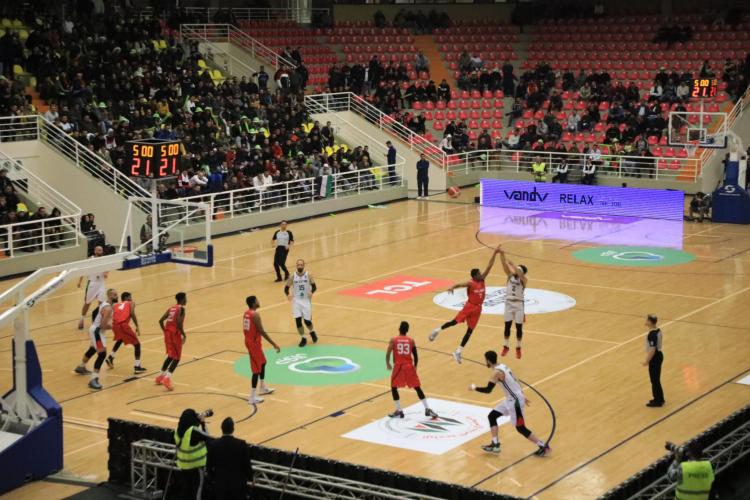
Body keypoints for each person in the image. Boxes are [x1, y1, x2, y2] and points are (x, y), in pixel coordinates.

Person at [470, 350, 550, 456]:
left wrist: (474, 388)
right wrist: (522, 394)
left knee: (520, 428)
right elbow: (515, 380)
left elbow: (488, 390)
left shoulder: (496, 373)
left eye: (486, 360)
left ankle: (543, 446)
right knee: (492, 416)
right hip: (511, 399)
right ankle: (495, 444)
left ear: (488, 360)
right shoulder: (503, 366)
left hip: (515, 402)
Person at [429, 246, 501, 364]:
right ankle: (436, 330)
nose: (480, 274)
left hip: (478, 308)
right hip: (470, 306)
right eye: (478, 274)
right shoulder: (471, 283)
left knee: (470, 331)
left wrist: (495, 253)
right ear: (474, 276)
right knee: (454, 322)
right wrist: (452, 287)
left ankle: (458, 351)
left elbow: (489, 266)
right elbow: (459, 284)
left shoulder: (482, 280)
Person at [386, 321, 439, 419]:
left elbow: (388, 353)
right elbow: (416, 356)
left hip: (399, 367)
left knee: (394, 387)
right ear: (407, 330)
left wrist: (388, 363)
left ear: (399, 328)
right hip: (409, 366)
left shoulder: (393, 340)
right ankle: (427, 408)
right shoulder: (411, 340)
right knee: (417, 387)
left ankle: (399, 410)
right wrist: (415, 367)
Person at [74, 288, 117, 390]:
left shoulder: (105, 304)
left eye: (117, 295)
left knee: (93, 349)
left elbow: (95, 313)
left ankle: (81, 367)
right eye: (115, 295)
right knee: (102, 354)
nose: (117, 297)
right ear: (109, 296)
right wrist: (114, 326)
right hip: (97, 331)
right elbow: (103, 325)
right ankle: (94, 379)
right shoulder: (108, 309)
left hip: (95, 330)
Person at [244, 295, 281, 404]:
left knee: (263, 362)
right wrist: (274, 344)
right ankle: (252, 397)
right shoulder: (255, 315)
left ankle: (263, 387)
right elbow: (261, 331)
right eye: (257, 300)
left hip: (253, 342)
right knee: (256, 370)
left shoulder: (247, 313)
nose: (259, 301)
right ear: (253, 303)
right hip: (253, 344)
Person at [207, 417, 253, 500]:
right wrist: (250, 478)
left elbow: (209, 466)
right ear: (233, 429)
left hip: (220, 484)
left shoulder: (214, 444)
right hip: (238, 485)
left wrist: (212, 479)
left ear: (221, 429)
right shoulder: (241, 444)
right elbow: (247, 464)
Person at [105, 292, 146, 374]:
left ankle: (110, 357)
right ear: (127, 298)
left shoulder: (115, 305)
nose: (131, 299)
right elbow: (132, 313)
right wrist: (137, 326)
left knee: (120, 339)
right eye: (130, 297)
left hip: (115, 325)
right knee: (137, 344)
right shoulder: (131, 303)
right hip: (122, 325)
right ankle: (137, 366)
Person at [174, 408, 211, 500]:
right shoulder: (193, 431)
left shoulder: (177, 431)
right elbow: (207, 436)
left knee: (186, 490)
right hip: (196, 467)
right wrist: (202, 422)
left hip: (184, 466)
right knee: (197, 491)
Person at [499, 247, 528, 359]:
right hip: (509, 304)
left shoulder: (524, 280)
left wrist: (513, 264)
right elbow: (504, 265)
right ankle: (506, 346)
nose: (517, 272)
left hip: (519, 305)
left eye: (519, 270)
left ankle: (518, 348)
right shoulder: (510, 276)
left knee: (519, 328)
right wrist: (501, 254)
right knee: (507, 326)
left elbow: (519, 273)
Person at [157, 292, 188, 391]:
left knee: (170, 356)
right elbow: (179, 323)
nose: (187, 300)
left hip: (168, 334)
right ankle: (167, 378)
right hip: (175, 334)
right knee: (177, 358)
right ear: (182, 299)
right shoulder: (181, 309)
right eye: (186, 298)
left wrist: (165, 331)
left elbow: (161, 320)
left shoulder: (172, 308)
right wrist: (183, 334)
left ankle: (160, 377)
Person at [285, 259, 318, 347]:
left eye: (301, 265)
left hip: (306, 301)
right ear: (296, 266)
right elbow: (286, 288)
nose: (299, 266)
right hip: (296, 301)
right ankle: (303, 338)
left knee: (307, 321)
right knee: (298, 321)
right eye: (298, 265)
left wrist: (311, 292)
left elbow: (314, 287)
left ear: (304, 265)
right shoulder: (292, 276)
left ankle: (312, 331)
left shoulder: (308, 275)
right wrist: (288, 294)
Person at [76, 245, 107, 329]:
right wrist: (79, 281)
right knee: (87, 303)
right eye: (99, 250)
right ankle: (81, 319)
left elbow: (108, 268)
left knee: (101, 304)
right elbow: (83, 270)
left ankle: (98, 321)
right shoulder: (90, 260)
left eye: (101, 250)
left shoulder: (104, 260)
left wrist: (106, 272)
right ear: (95, 251)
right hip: (92, 284)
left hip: (101, 284)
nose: (101, 252)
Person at [643, 314, 665, 407]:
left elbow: (652, 350)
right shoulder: (658, 330)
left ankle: (658, 401)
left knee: (654, 380)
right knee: (656, 379)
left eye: (647, 320)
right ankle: (659, 398)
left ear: (650, 322)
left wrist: (647, 361)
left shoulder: (652, 334)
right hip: (659, 355)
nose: (646, 321)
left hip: (655, 357)